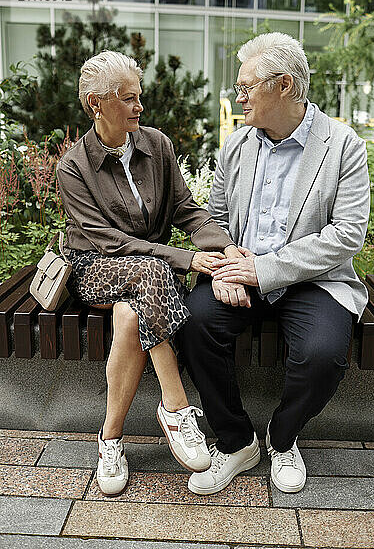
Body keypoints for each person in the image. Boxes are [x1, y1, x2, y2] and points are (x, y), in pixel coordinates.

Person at [180, 32, 370, 495]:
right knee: (193, 322)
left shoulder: (343, 146)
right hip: (242, 271)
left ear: (283, 85)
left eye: (246, 87)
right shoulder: (238, 144)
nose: (238, 97)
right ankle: (236, 441)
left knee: (323, 355)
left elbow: (346, 235)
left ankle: (282, 438)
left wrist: (264, 271)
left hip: (314, 281)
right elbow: (216, 218)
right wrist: (227, 261)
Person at [56, 50, 235, 497]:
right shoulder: (73, 167)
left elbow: (186, 210)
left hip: (148, 281)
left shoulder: (157, 145)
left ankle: (110, 438)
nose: (140, 107)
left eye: (140, 97)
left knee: (133, 315)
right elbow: (107, 242)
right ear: (97, 103)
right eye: (129, 98)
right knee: (151, 267)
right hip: (97, 268)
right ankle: (175, 405)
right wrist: (184, 259)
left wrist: (226, 248)